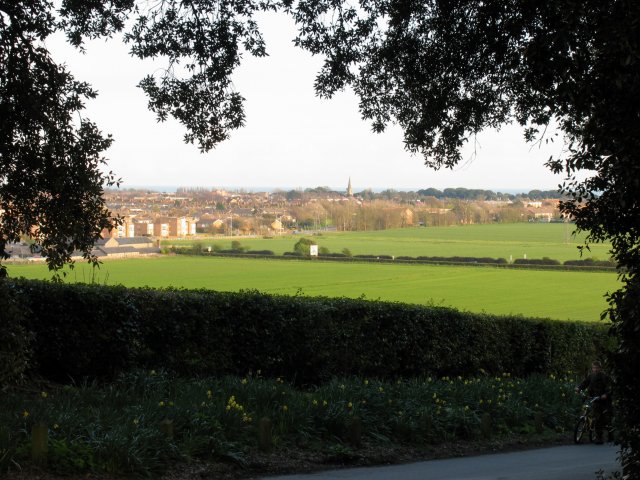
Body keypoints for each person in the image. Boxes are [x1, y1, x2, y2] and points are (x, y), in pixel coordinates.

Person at [575, 360, 613, 444]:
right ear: (592, 368)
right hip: (593, 398)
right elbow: (585, 383)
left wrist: (605, 395)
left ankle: (603, 437)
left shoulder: (604, 377)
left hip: (603, 400)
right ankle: (591, 428)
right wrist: (579, 388)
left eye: (597, 368)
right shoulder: (591, 376)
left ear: (600, 368)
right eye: (594, 368)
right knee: (591, 413)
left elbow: (609, 387)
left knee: (602, 417)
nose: (595, 369)